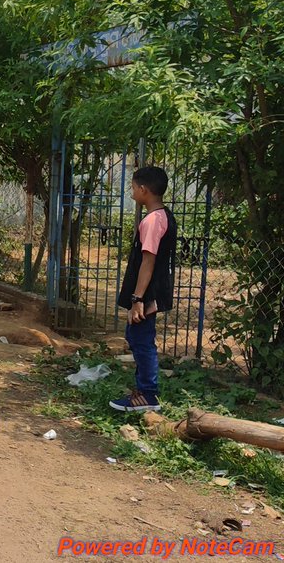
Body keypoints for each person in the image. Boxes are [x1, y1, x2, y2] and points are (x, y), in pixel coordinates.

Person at [110, 167, 176, 412]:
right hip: (153, 290)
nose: (132, 192)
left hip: (147, 294)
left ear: (144, 190)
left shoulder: (151, 222)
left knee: (141, 340)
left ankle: (148, 395)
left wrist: (137, 299)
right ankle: (144, 391)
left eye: (133, 188)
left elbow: (147, 262)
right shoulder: (164, 216)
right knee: (138, 338)